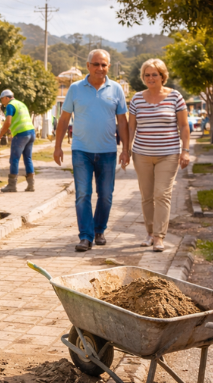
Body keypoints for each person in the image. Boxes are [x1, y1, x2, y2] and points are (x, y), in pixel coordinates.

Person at [53, 49, 129, 252]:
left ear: (108, 67)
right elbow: (64, 119)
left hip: (107, 151)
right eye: (96, 64)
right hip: (81, 151)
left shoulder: (117, 90)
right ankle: (85, 236)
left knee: (105, 195)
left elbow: (122, 122)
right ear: (88, 66)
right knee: (83, 194)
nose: (100, 68)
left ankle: (99, 230)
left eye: (103, 65)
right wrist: (57, 146)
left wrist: (126, 149)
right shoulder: (75, 89)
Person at [128, 58, 190, 252]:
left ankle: (159, 237)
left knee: (162, 194)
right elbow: (131, 127)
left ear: (162, 76)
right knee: (146, 196)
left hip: (168, 154)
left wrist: (185, 151)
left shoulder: (175, 97)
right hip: (142, 154)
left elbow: (184, 125)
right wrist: (126, 150)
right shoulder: (137, 98)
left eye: (154, 74)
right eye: (147, 75)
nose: (150, 78)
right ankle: (149, 233)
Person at [0, 90, 36, 193]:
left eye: (2, 98)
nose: (2, 100)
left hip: (21, 134)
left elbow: (8, 122)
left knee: (14, 159)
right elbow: (19, 119)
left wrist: (0, 135)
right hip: (31, 132)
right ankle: (31, 185)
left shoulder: (10, 105)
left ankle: (12, 186)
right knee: (28, 158)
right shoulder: (21, 104)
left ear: (7, 98)